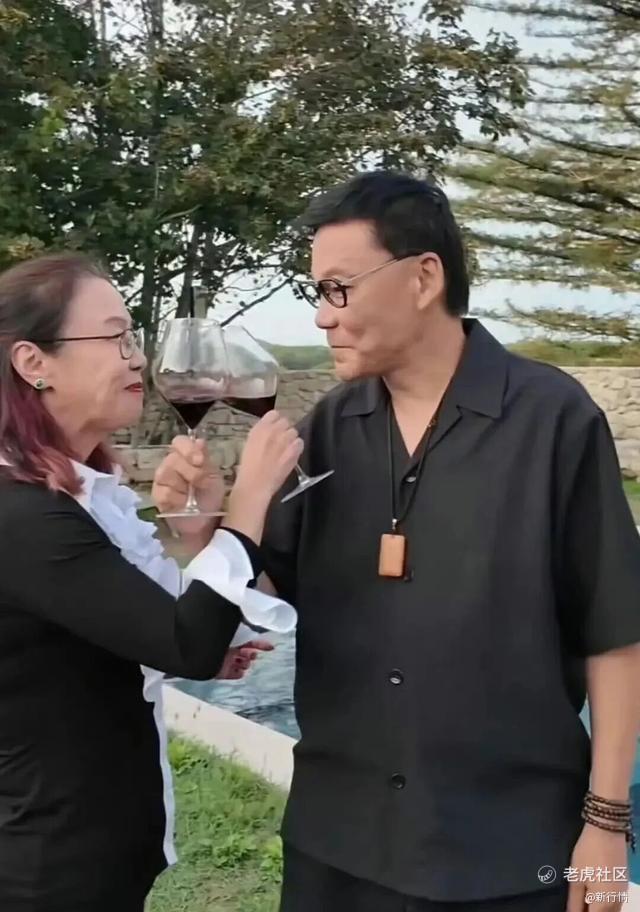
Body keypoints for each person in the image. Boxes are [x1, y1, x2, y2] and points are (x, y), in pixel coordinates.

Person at [153, 171, 640, 912]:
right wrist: (200, 533)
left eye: (338, 289)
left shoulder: (553, 421)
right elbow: (267, 591)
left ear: (423, 277)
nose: (323, 316)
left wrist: (605, 828)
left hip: (508, 852)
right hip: (336, 843)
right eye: (317, 292)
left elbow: (615, 633)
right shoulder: (327, 429)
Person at [0, 252, 304, 912]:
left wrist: (198, 536)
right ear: (33, 362)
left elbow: (161, 627)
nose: (137, 358)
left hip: (97, 861)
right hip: (47, 873)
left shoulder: (80, 497)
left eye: (133, 337)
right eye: (114, 338)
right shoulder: (21, 516)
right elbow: (184, 643)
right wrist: (249, 503)